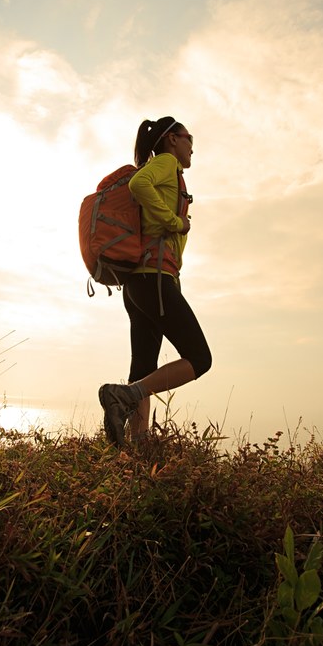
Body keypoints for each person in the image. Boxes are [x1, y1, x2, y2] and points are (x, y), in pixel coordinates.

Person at [98, 116, 212, 447]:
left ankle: (139, 443)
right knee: (200, 358)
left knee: (144, 367)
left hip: (139, 285)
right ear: (172, 140)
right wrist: (174, 221)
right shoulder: (164, 163)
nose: (193, 147)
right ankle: (122, 395)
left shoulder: (170, 171)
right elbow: (138, 184)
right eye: (189, 138)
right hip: (153, 280)